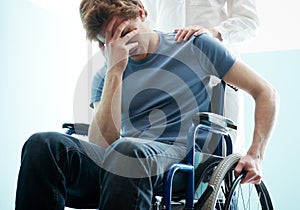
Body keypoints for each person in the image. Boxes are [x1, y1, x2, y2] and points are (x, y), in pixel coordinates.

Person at [15, 0, 279, 209]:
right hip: (126, 159)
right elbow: (100, 147)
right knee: (43, 144)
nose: (127, 44)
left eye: (127, 31)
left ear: (141, 12)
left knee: (127, 151)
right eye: (114, 40)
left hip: (180, 157)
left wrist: (255, 154)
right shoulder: (105, 76)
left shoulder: (193, 44)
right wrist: (115, 71)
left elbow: (265, 92)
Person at [140, 0, 260, 154]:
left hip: (217, 74)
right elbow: (146, 21)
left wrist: (213, 33)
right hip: (168, 73)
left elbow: (249, 21)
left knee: (224, 149)